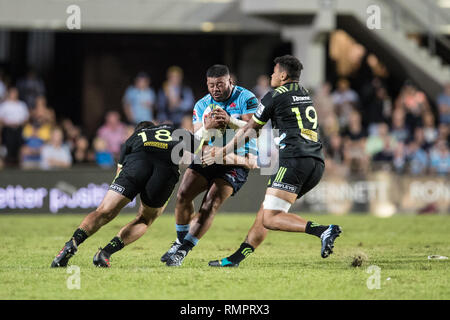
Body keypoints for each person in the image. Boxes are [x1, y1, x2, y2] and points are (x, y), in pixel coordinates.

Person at [203, 55, 341, 267]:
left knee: (270, 217)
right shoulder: (303, 93)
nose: (272, 75)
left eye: (275, 71)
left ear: (283, 75)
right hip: (316, 162)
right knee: (266, 210)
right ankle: (235, 259)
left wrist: (222, 151)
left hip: (295, 161)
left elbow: (250, 131)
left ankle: (323, 230)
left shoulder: (274, 96)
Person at [50, 121, 203, 268]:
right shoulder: (174, 130)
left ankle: (73, 242)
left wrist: (128, 191)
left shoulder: (134, 137)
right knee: (145, 219)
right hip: (165, 169)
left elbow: (119, 172)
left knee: (103, 212)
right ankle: (105, 253)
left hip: (136, 163)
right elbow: (198, 144)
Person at [162, 64, 259, 267]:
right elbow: (198, 137)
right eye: (211, 85)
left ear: (230, 82)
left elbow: (255, 129)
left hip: (236, 159)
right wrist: (207, 128)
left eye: (220, 84)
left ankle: (182, 251)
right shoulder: (201, 105)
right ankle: (180, 241)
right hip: (208, 155)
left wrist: (230, 120)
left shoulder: (246, 97)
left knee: (210, 203)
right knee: (182, 195)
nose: (216, 89)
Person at [0, 87, 30, 165]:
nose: (14, 94)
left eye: (15, 93)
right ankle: (7, 162)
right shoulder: (4, 105)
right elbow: (1, 118)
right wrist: (9, 124)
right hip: (8, 129)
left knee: (20, 146)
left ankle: (19, 163)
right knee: (8, 146)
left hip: (19, 129)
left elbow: (26, 118)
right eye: (12, 93)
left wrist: (19, 124)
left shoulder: (22, 104)